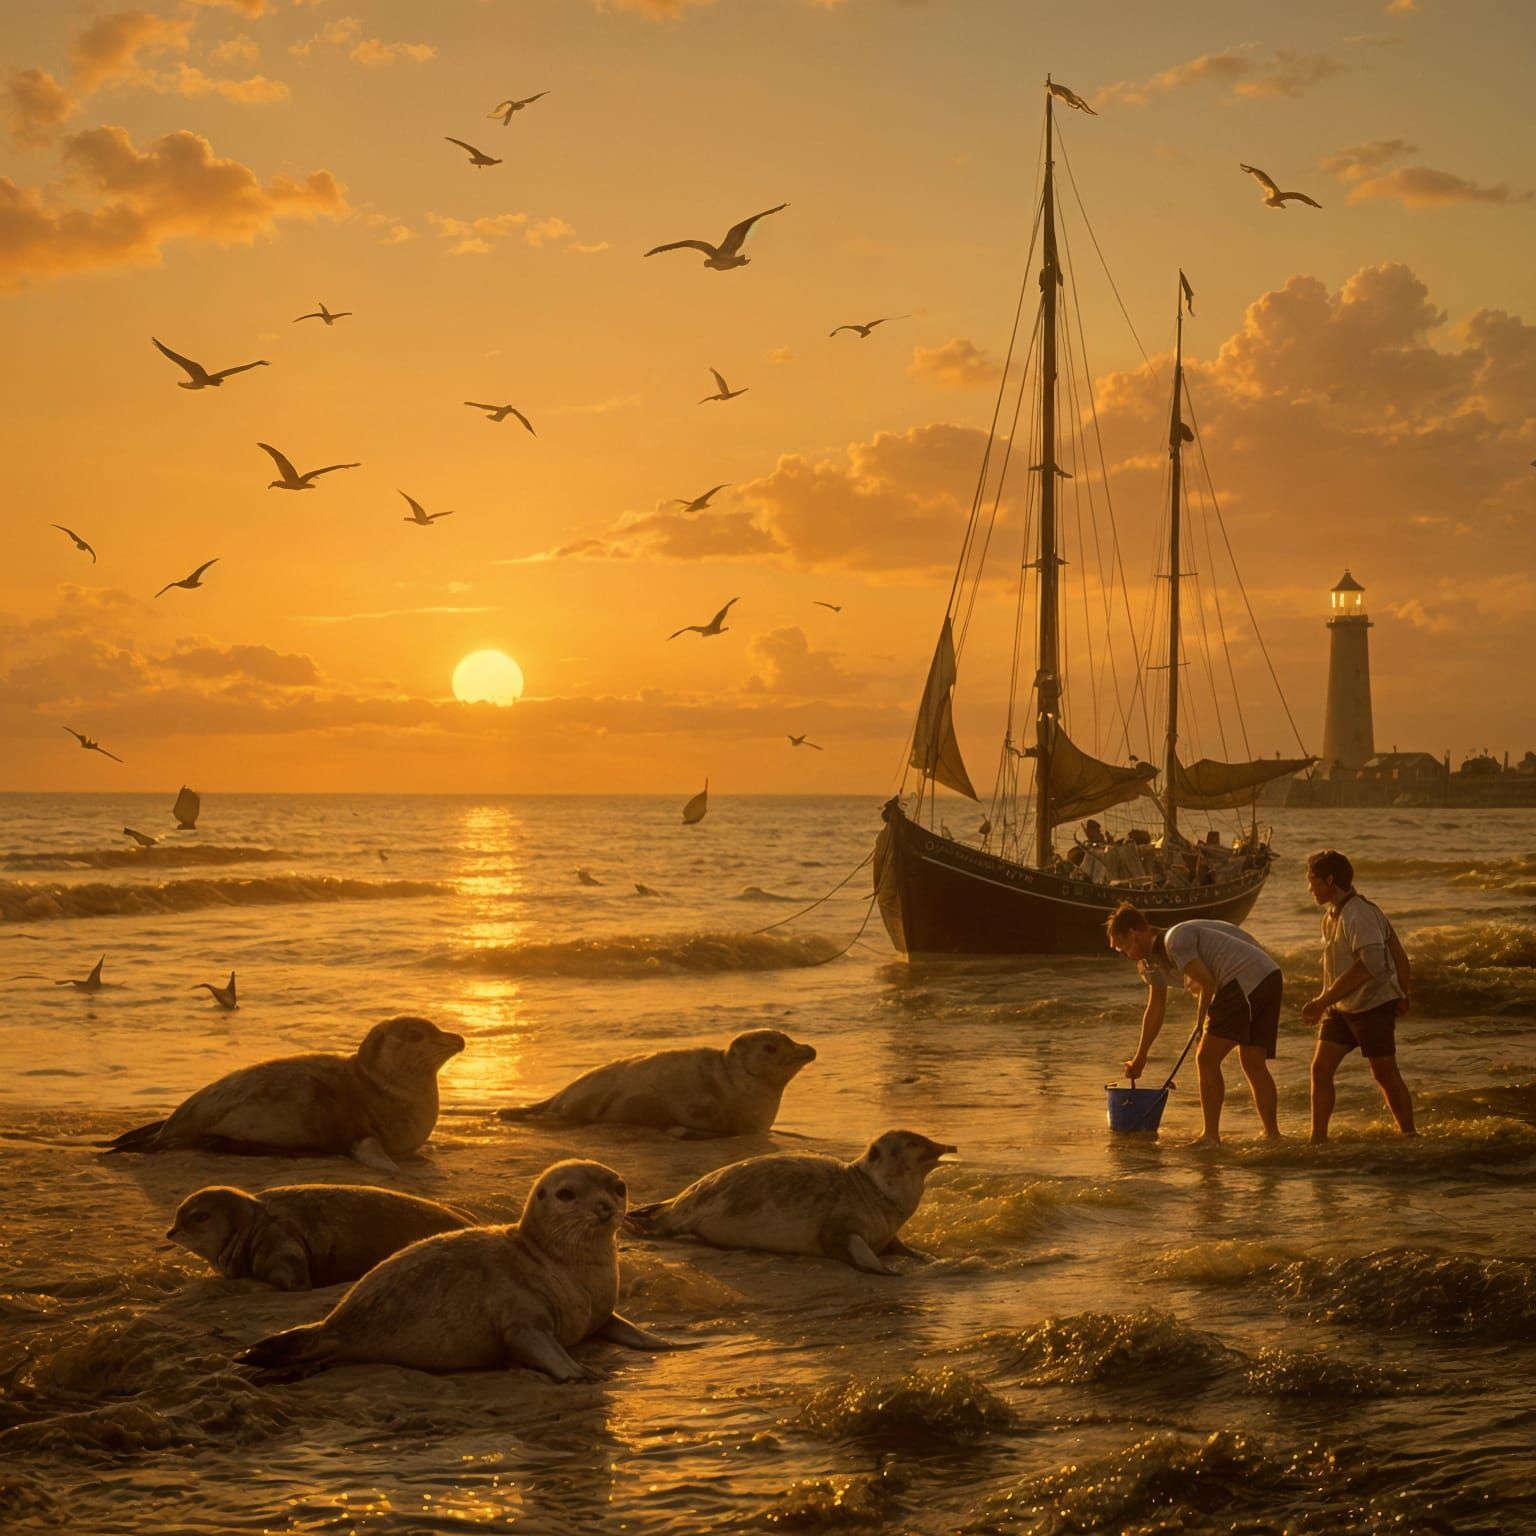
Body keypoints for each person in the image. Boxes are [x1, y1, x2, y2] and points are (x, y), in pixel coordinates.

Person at [1106, 902, 1284, 1144]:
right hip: (1267, 975)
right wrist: (1140, 1057)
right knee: (1252, 1061)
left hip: (1244, 977)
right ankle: (1272, 1136)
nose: (1124, 954)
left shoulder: (1174, 941)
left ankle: (1210, 1136)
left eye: (1122, 947)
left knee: (1206, 1058)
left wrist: (1200, 1022)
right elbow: (1156, 1007)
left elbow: (1208, 983)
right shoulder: (1151, 963)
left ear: (1133, 934)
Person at [1300, 849, 1414, 1143]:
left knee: (1384, 1075)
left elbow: (1372, 965)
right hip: (1340, 1007)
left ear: (1329, 879)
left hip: (1373, 1004)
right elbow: (1396, 954)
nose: (1308, 886)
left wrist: (1402, 992)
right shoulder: (1331, 915)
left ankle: (1409, 1135)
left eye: (1311, 879)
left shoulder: (1359, 914)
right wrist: (1327, 1001)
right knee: (1320, 1068)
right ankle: (1318, 1141)